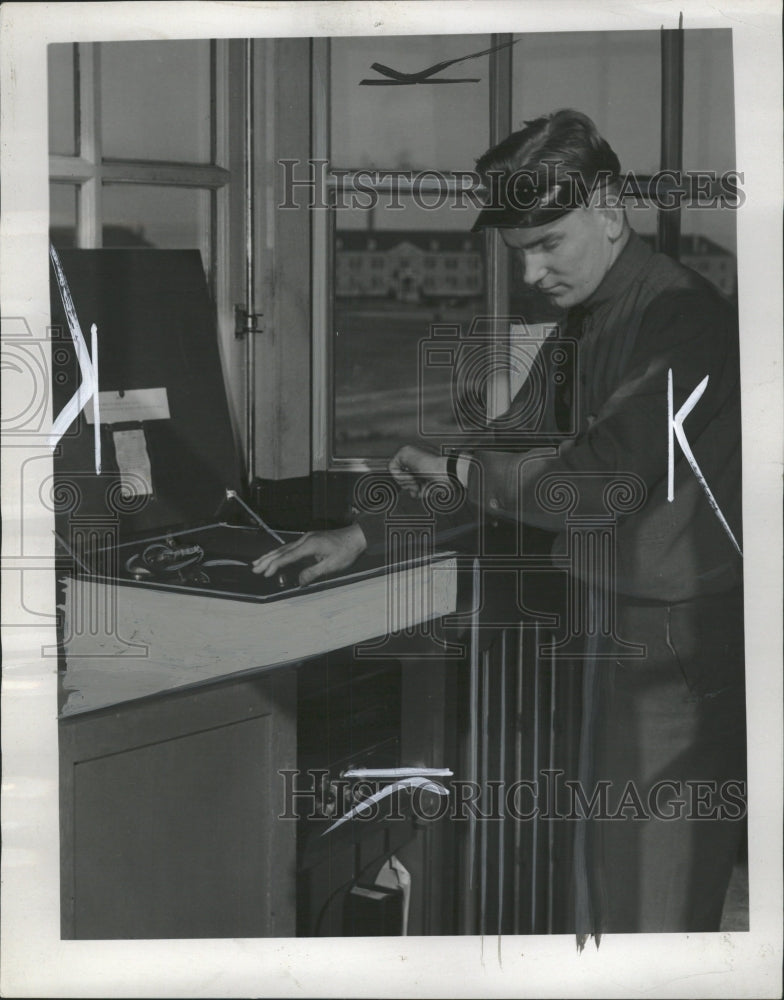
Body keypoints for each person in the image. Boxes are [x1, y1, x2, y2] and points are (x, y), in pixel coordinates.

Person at [253, 109, 746, 936]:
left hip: (678, 648)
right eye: (522, 254)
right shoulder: (585, 322)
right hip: (606, 629)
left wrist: (455, 470)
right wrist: (363, 535)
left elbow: (595, 487)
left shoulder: (682, 322)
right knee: (601, 883)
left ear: (610, 206)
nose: (535, 271)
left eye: (550, 242)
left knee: (651, 898)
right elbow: (506, 449)